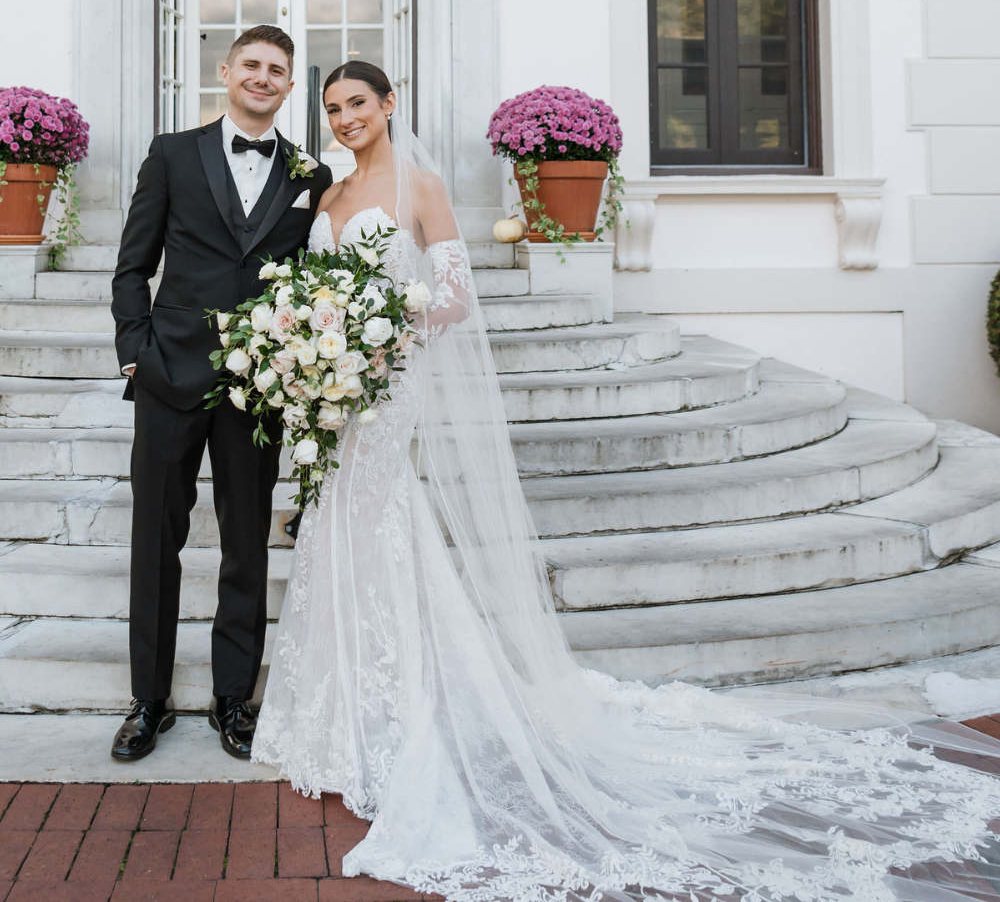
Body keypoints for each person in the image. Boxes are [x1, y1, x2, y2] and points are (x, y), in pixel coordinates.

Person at [252, 58, 1000, 902]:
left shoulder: (417, 188)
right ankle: (335, 713)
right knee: (336, 530)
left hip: (387, 385)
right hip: (334, 390)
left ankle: (397, 712)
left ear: (389, 104)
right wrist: (312, 336)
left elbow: (455, 296)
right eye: (333, 108)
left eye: (357, 103)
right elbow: (311, 285)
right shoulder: (327, 195)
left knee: (380, 526)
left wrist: (383, 325)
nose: (345, 117)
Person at [109, 25, 332, 762]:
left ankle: (234, 699)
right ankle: (149, 700)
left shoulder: (309, 174)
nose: (263, 78)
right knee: (155, 543)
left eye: (277, 70)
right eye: (252, 66)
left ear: (289, 85)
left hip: (257, 388)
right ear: (225, 71)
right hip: (168, 376)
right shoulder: (172, 152)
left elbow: (312, 280)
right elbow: (132, 264)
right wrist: (134, 355)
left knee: (244, 547)